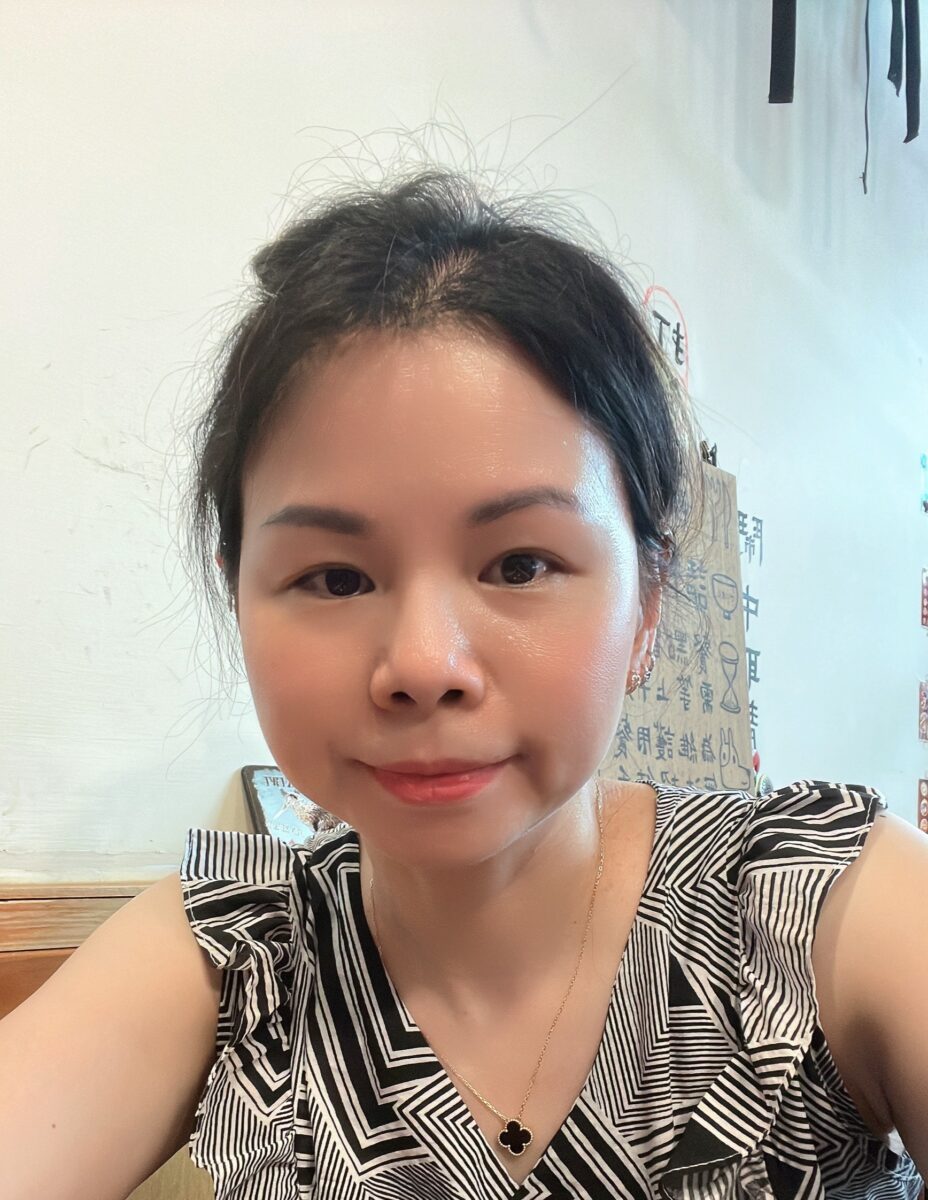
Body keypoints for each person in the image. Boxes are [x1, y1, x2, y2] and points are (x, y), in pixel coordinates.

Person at [1, 167, 926, 1200]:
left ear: (647, 604)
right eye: (334, 578)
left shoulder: (821, 907)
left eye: (520, 564)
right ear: (238, 597)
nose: (423, 666)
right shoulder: (233, 959)